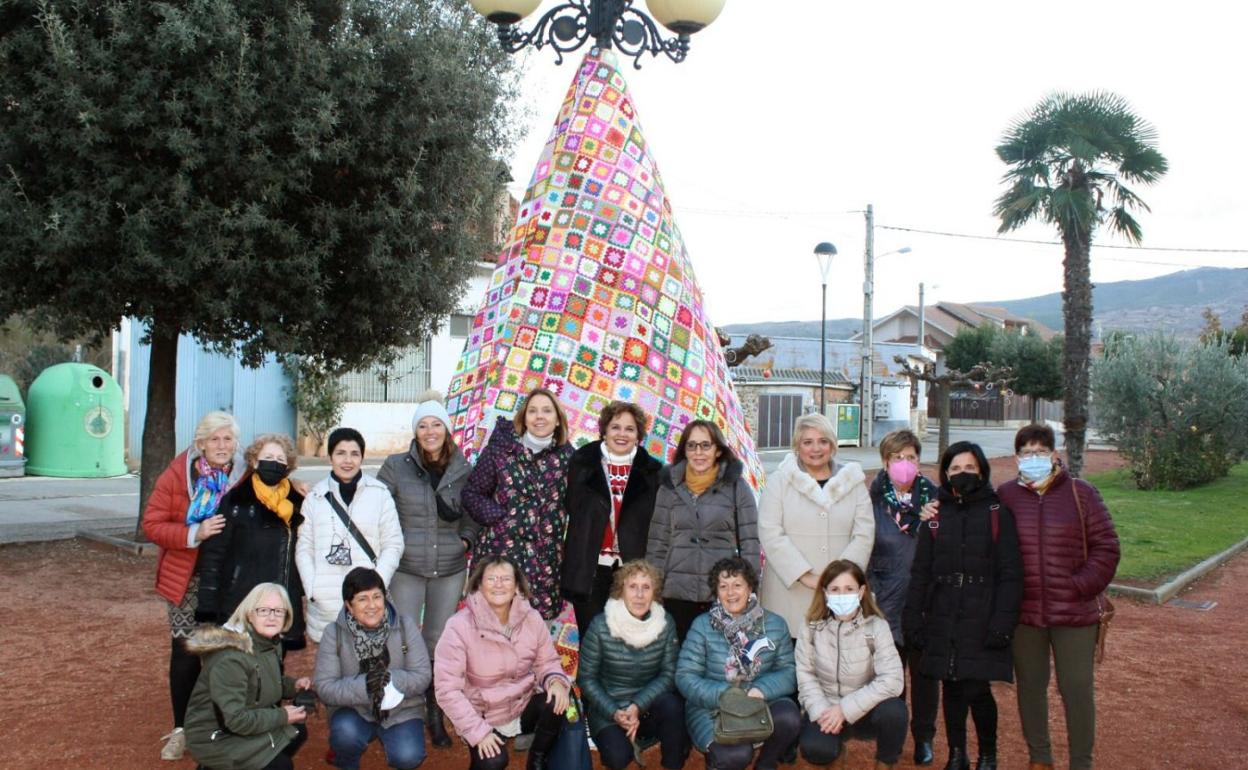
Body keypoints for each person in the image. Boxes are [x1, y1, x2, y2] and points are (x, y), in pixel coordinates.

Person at [996, 424, 1120, 770]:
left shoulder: (1082, 493)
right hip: (1026, 615)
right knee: (1030, 688)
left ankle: (1081, 762)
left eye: (1039, 451)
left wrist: (1080, 585)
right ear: (1017, 457)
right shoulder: (1005, 495)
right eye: (1025, 452)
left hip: (1075, 613)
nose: (1032, 458)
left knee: (1076, 688)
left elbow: (1107, 547)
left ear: (1054, 454)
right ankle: (1040, 757)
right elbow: (987, 542)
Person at [903, 442, 1023, 770]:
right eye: (955, 469)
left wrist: (1002, 622)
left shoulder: (998, 513)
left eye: (969, 468)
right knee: (951, 684)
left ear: (982, 471)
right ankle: (957, 754)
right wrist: (913, 616)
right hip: (944, 614)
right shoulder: (936, 515)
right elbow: (921, 572)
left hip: (982, 615)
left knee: (977, 686)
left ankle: (988, 754)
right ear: (945, 473)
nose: (962, 474)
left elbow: (1011, 574)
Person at [142, 410, 248, 761]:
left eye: (228, 439)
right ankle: (182, 728)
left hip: (229, 579)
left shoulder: (244, 475)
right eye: (214, 439)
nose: (221, 445)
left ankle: (227, 723)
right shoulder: (177, 474)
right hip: (186, 576)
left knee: (228, 650)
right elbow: (152, 524)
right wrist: (194, 533)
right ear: (200, 443)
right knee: (186, 651)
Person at [377, 391, 476, 748]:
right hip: (407, 567)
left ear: (447, 429)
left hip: (449, 568)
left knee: (438, 640)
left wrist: (465, 541)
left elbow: (472, 511)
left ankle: (435, 712)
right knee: (402, 638)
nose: (430, 431)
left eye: (436, 424)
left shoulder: (463, 467)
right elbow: (379, 507)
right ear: (415, 431)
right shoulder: (395, 465)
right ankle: (406, 709)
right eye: (423, 425)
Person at [434, 555, 572, 770]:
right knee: (494, 762)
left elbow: (548, 661)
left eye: (506, 579)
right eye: (491, 579)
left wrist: (555, 680)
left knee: (557, 700)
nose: (499, 584)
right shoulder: (458, 626)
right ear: (478, 584)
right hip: (482, 715)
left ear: (517, 586)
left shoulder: (532, 618)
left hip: (521, 704)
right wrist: (478, 733)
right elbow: (446, 690)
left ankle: (537, 759)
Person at [676, 557, 800, 770]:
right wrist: (725, 695)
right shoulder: (702, 625)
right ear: (716, 592)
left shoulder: (775, 624)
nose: (730, 592)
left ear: (750, 587)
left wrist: (760, 689)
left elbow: (788, 671)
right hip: (712, 706)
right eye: (723, 586)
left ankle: (766, 764)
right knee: (736, 756)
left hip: (758, 701)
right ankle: (716, 762)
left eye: (737, 585)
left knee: (789, 718)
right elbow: (685, 676)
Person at [758, 413, 874, 639]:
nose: (816, 449)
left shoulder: (854, 482)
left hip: (840, 597)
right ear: (797, 446)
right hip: (789, 594)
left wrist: (841, 578)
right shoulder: (779, 481)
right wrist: (804, 575)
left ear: (832, 445)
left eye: (823, 441)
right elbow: (770, 532)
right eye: (807, 442)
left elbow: (864, 534)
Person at [462, 388, 574, 621]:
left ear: (557, 420)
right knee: (492, 631)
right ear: (524, 418)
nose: (539, 416)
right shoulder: (500, 451)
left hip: (545, 562)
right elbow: (472, 493)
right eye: (532, 411)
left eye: (546, 411)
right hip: (500, 557)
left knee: (535, 638)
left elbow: (578, 504)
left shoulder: (568, 458)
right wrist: (500, 518)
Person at [866, 429, 941, 765]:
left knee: (926, 679)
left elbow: (949, 548)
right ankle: (892, 741)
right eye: (898, 457)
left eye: (911, 457)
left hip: (926, 604)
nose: (905, 464)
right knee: (892, 681)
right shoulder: (871, 502)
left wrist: (935, 523)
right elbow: (861, 550)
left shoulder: (937, 499)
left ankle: (925, 738)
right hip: (886, 604)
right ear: (885, 462)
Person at [647, 419, 761, 641]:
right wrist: (653, 587)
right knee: (679, 660)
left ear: (718, 450)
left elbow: (750, 543)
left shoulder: (737, 486)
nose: (698, 452)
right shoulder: (669, 487)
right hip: (676, 592)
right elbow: (657, 543)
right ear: (685, 450)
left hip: (722, 592)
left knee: (720, 659)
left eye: (705, 445)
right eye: (692, 446)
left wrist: (748, 588)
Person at [196, 433, 306, 653]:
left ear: (288, 466)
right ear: (255, 461)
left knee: (273, 665)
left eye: (280, 458)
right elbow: (214, 553)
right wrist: (208, 603)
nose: (274, 462)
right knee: (236, 664)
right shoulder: (236, 500)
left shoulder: (299, 503)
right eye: (268, 456)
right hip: (240, 600)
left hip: (279, 602)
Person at [184, 583, 312, 770]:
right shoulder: (231, 658)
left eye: (278, 611)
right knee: (280, 765)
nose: (271, 617)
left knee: (297, 731)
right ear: (249, 614)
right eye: (263, 610)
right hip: (215, 737)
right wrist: (282, 715)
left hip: (234, 726)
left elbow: (261, 683)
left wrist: (292, 686)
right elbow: (236, 720)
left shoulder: (268, 642)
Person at [563, 400, 664, 636]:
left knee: (627, 642)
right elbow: (571, 508)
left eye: (630, 429)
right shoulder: (581, 465)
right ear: (604, 431)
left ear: (639, 435)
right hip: (589, 568)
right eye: (615, 427)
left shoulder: (653, 473)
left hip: (633, 572)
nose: (622, 434)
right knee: (592, 640)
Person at [315, 567, 431, 770]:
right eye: (362, 599)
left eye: (377, 597)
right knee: (345, 735)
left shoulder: (405, 626)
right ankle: (346, 762)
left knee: (408, 756)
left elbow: (422, 676)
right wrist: (366, 685)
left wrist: (389, 679)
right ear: (349, 606)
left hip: (402, 710)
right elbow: (325, 687)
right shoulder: (333, 634)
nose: (372, 605)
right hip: (354, 710)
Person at [578, 560, 689, 770]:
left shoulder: (666, 623)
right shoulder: (600, 625)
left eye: (646, 587)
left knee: (673, 705)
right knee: (617, 758)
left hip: (647, 706)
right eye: (632, 587)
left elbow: (669, 673)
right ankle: (625, 738)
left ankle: (672, 764)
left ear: (654, 592)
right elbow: (586, 678)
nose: (639, 594)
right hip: (608, 710)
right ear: (621, 591)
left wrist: (637, 705)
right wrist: (614, 712)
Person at [796, 560, 907, 770]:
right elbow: (805, 675)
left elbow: (893, 680)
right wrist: (823, 713)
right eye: (835, 589)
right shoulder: (810, 626)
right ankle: (835, 752)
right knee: (816, 750)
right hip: (826, 708)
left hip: (866, 710)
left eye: (849, 589)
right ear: (825, 592)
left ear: (862, 591)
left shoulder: (877, 626)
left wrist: (845, 709)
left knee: (895, 712)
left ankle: (884, 763)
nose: (842, 595)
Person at [296, 427, 403, 643]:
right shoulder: (315, 497)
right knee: (329, 667)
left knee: (370, 667)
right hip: (325, 601)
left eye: (354, 454)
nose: (348, 460)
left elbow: (393, 543)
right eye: (340, 453)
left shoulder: (379, 494)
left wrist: (377, 583)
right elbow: (304, 547)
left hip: (368, 599)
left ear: (362, 457)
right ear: (330, 457)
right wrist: (312, 588)